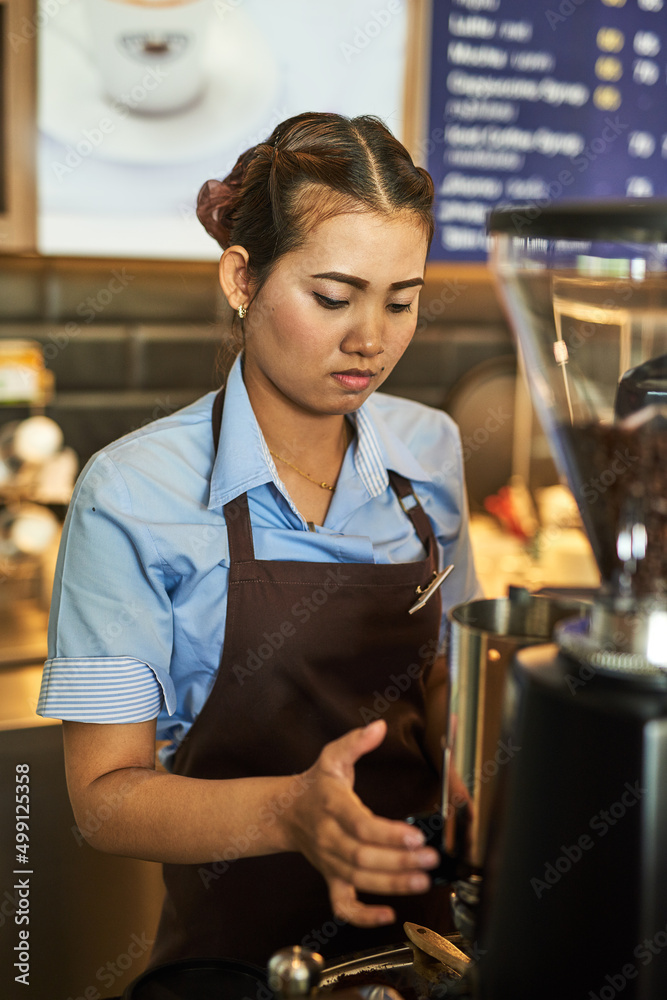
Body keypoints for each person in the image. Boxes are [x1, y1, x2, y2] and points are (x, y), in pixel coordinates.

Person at [37, 112, 481, 967]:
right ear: (241, 278)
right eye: (332, 296)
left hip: (429, 949)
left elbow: (439, 664)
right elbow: (102, 800)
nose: (371, 339)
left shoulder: (429, 449)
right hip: (234, 960)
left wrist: (473, 745)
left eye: (402, 301)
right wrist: (290, 812)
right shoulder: (131, 494)